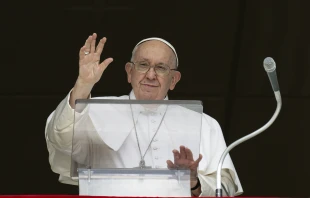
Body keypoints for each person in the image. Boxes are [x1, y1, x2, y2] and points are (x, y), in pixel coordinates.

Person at [45, 33, 243, 196]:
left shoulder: (204, 123)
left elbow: (226, 188)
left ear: (174, 79)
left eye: (161, 68)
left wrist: (194, 182)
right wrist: (83, 84)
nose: (150, 75)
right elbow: (62, 141)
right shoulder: (95, 111)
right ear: (129, 72)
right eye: (143, 65)